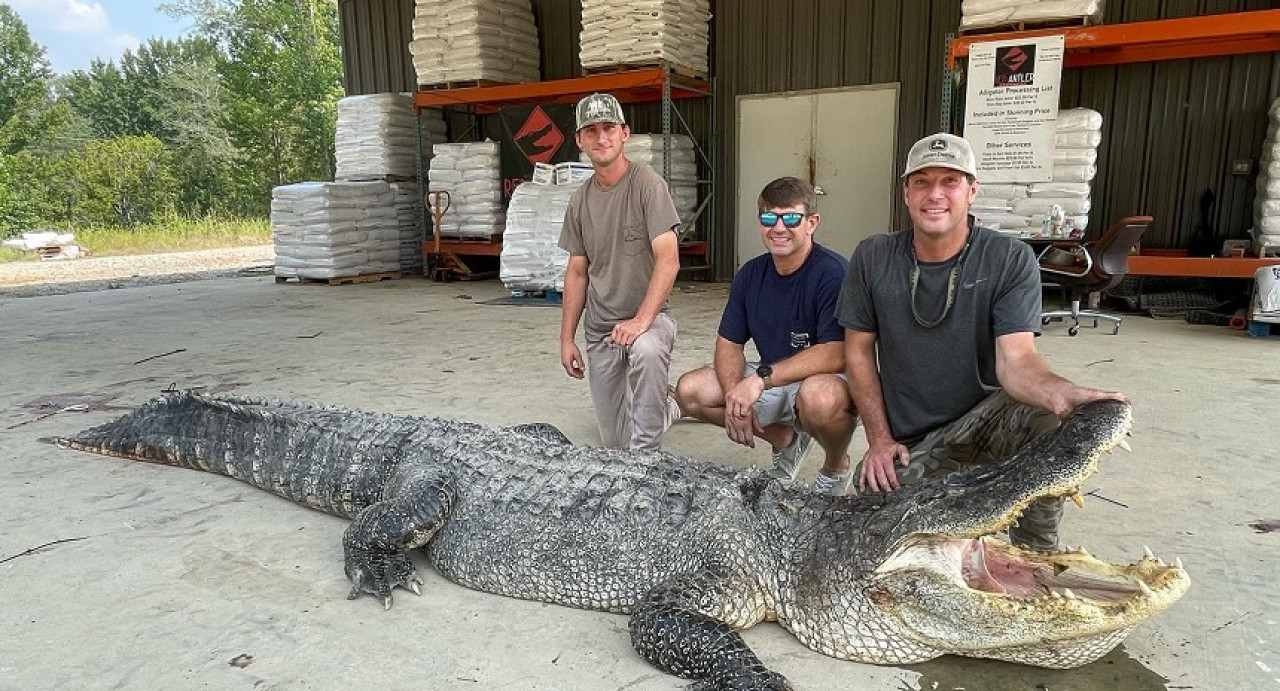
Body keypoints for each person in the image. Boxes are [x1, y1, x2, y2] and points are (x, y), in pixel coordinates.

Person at [836, 133, 1126, 550]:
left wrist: (1061, 393)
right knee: (869, 524)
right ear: (905, 192)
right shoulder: (873, 256)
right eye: (922, 181)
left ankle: (1035, 554)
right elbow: (859, 353)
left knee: (1043, 420)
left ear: (972, 191)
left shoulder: (1008, 258)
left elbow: (1017, 360)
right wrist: (879, 439)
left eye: (949, 181)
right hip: (918, 440)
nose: (935, 194)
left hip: (988, 421)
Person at [675, 177, 857, 495]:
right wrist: (736, 397)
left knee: (819, 399)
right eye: (769, 218)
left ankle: (836, 465)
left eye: (791, 218)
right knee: (691, 390)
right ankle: (784, 440)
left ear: (812, 223)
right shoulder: (750, 274)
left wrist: (759, 380)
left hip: (824, 379)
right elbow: (728, 343)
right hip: (772, 377)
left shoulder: (834, 273)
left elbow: (836, 352)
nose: (779, 228)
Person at [558, 92, 683, 452]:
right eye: (591, 130)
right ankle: (669, 405)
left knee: (645, 351)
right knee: (614, 443)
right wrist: (567, 339)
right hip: (602, 330)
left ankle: (648, 462)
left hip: (650, 319)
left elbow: (668, 259)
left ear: (624, 133)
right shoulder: (580, 201)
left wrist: (641, 321)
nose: (602, 138)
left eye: (609, 128)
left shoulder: (648, 186)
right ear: (579, 140)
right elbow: (577, 273)